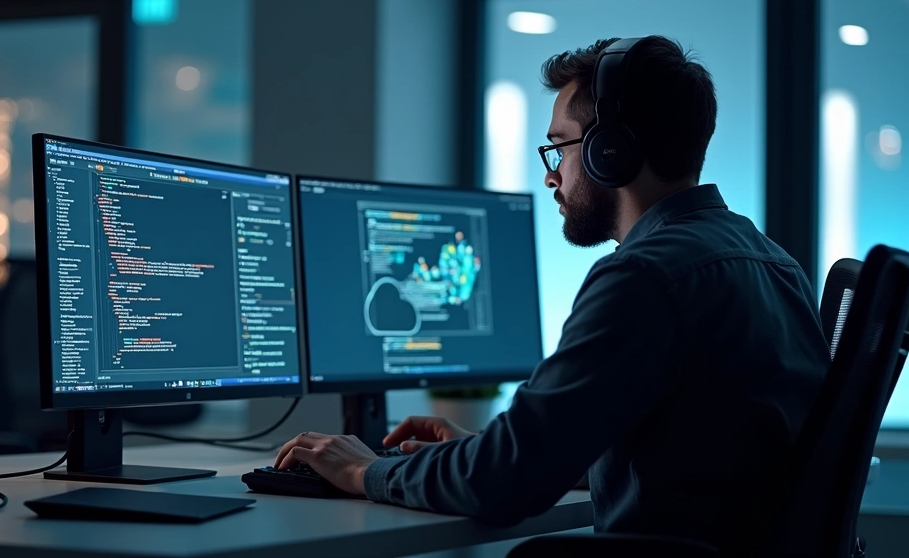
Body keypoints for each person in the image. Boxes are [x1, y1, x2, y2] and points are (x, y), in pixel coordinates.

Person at [274, 36, 830, 553]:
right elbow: (700, 457)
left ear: (608, 151)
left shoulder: (645, 277)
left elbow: (503, 486)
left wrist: (362, 471)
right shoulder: (770, 260)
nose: (551, 176)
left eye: (557, 148)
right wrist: (493, 448)